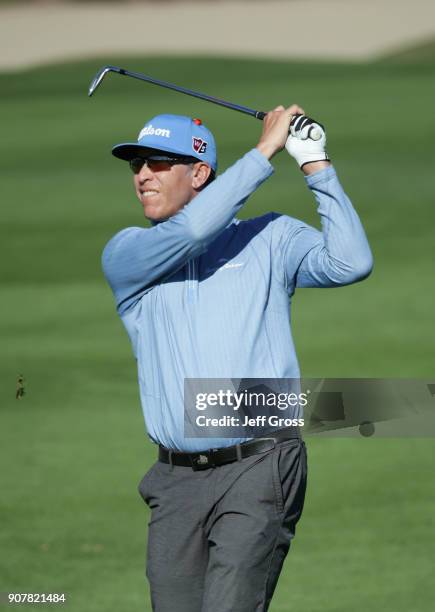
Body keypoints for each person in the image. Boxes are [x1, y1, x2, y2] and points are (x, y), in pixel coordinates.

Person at [102, 106, 373, 611]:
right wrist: (264, 150)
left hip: (259, 462)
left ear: (200, 173)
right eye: (136, 165)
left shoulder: (270, 237)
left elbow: (350, 261)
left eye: (158, 163)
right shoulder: (127, 254)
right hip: (175, 482)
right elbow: (191, 234)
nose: (142, 175)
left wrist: (315, 163)